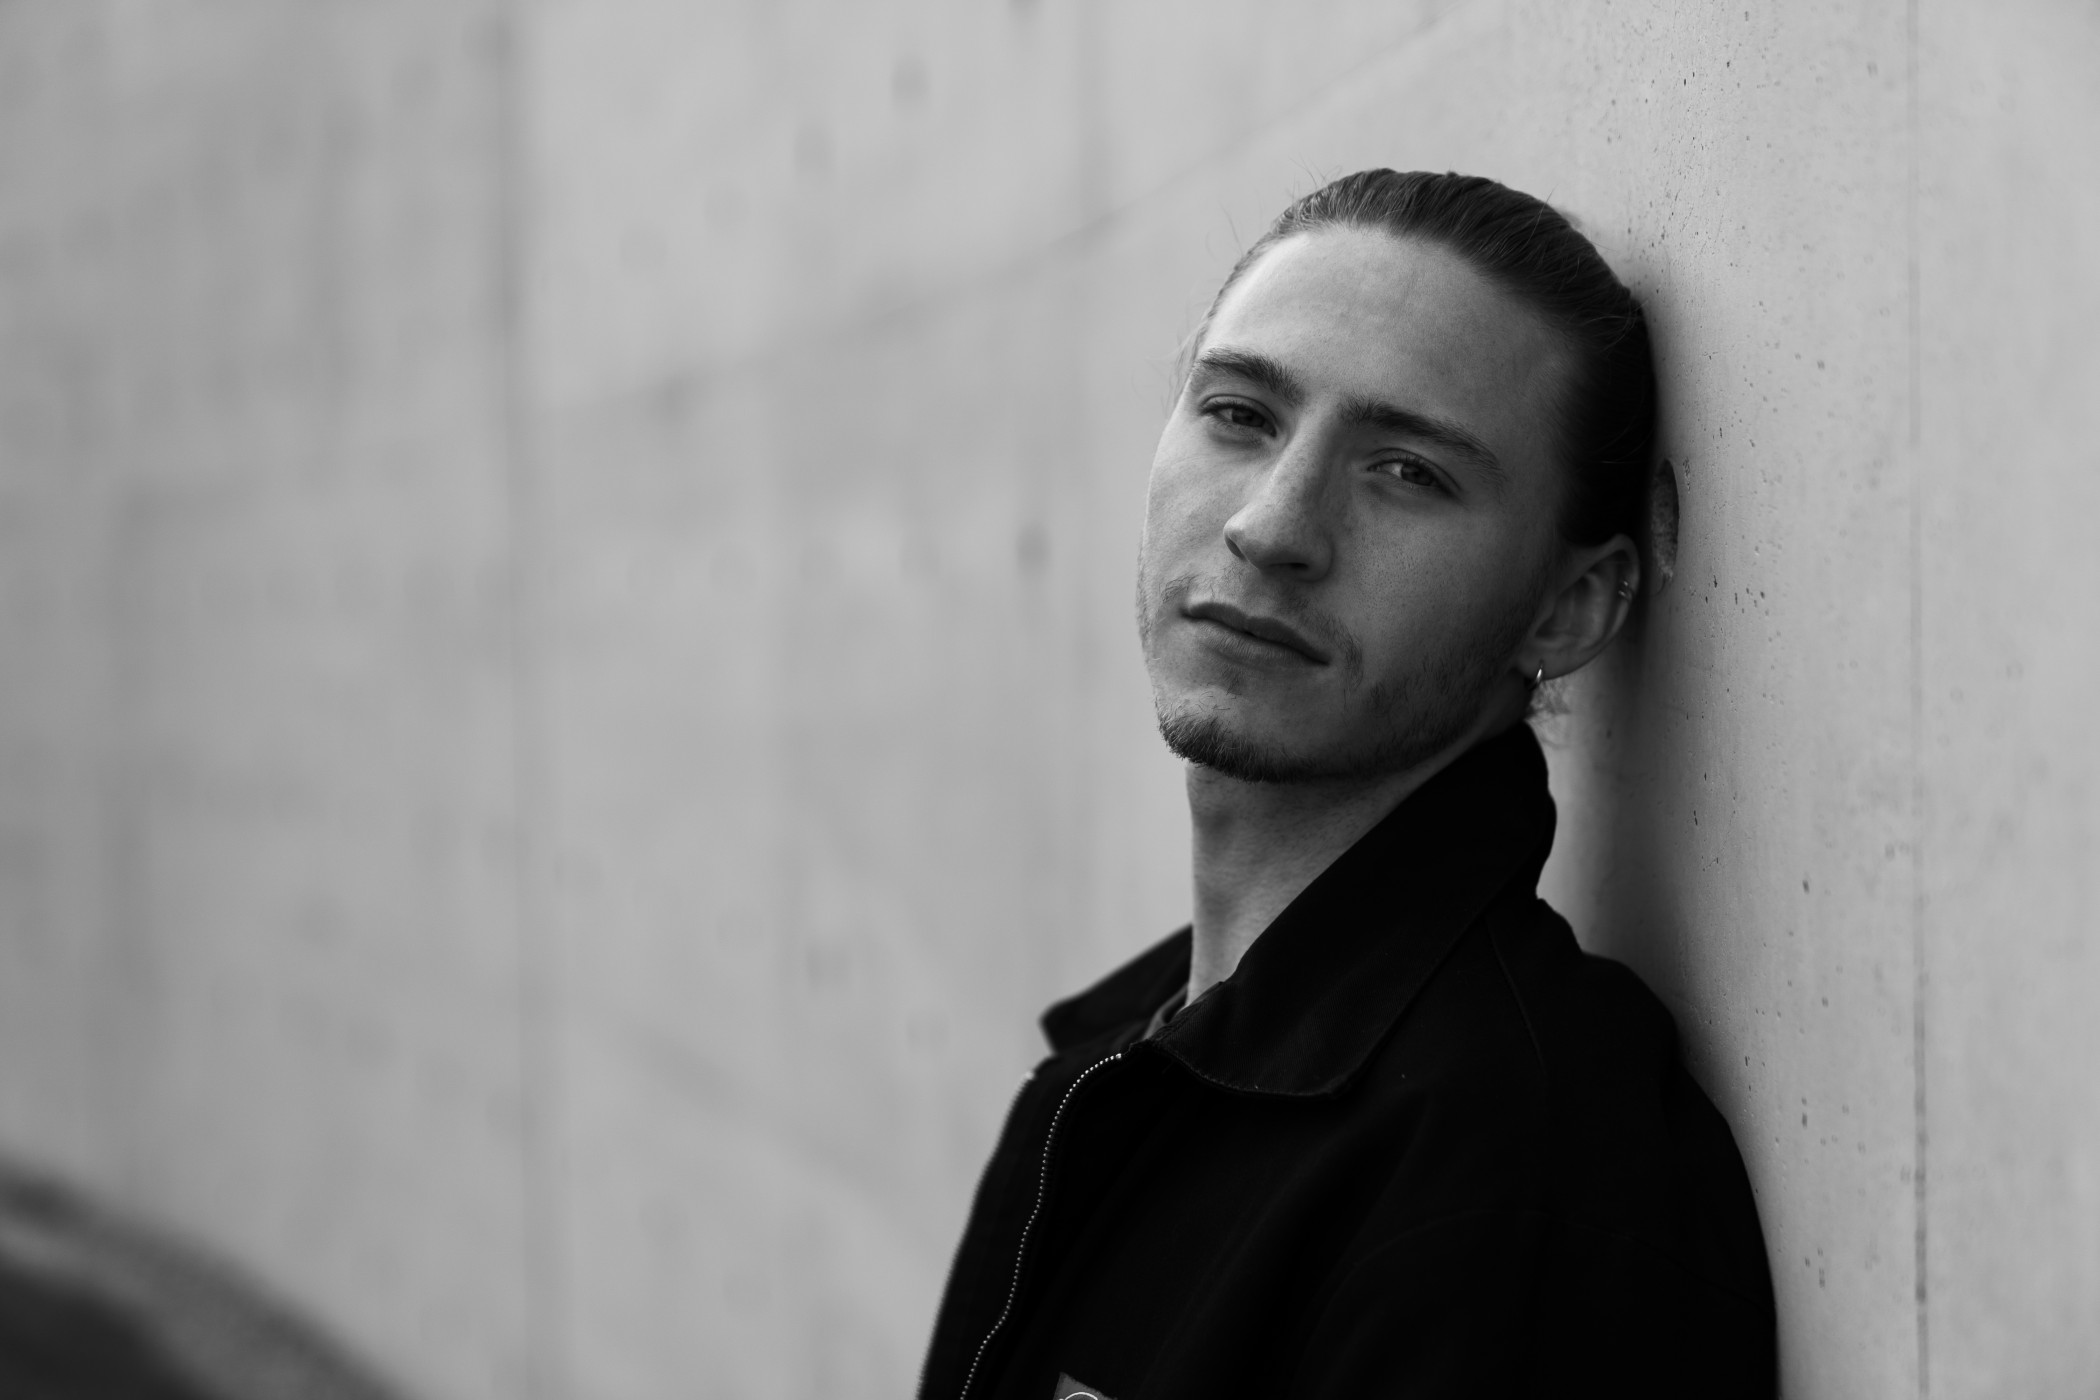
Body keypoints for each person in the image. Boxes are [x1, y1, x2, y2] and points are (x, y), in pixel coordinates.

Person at [917, 170, 1776, 1400]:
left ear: (1570, 605)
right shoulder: (1118, 1073)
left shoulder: (1515, 1173)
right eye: (1239, 413)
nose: (1272, 526)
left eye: (1408, 471)